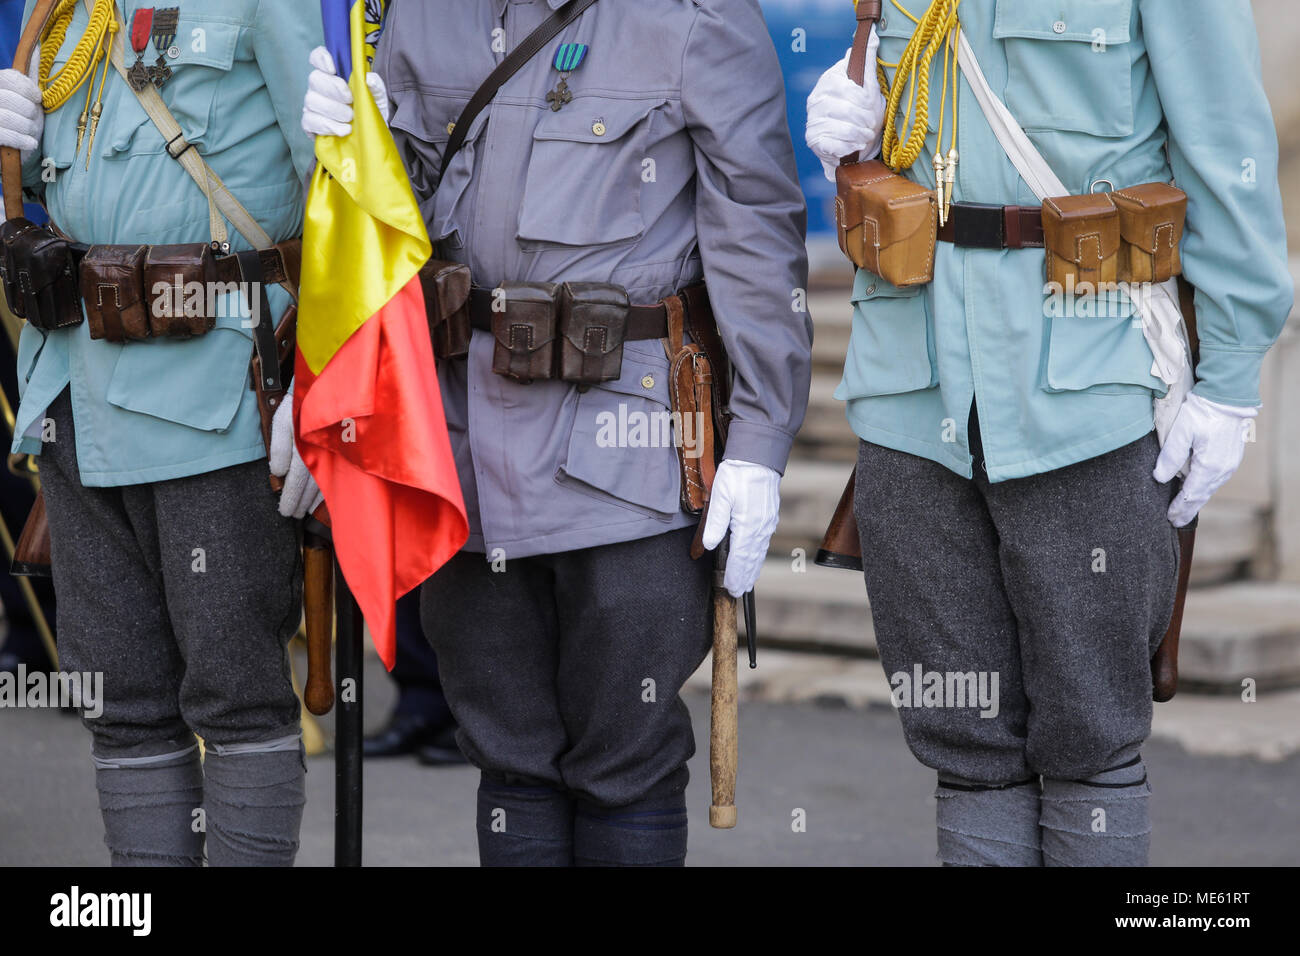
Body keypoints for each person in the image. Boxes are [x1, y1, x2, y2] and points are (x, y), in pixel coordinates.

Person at [301, 0, 812, 866]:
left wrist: (761, 438)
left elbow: (757, 240)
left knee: (626, 761)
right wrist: (358, 147)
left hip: (628, 465)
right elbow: (396, 219)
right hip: (464, 456)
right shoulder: (421, 17)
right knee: (508, 762)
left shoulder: (695, 18)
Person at [805, 0, 1292, 866]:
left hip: (1088, 384)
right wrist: (852, 126)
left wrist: (1230, 378)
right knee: (961, 734)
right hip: (914, 388)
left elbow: (1228, 157)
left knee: (1092, 733)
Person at [0, 0, 323, 866]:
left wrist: (326, 383)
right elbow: (46, 201)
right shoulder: (60, 14)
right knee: (121, 699)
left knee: (238, 692)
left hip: (211, 397)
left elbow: (338, 199)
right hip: (78, 396)